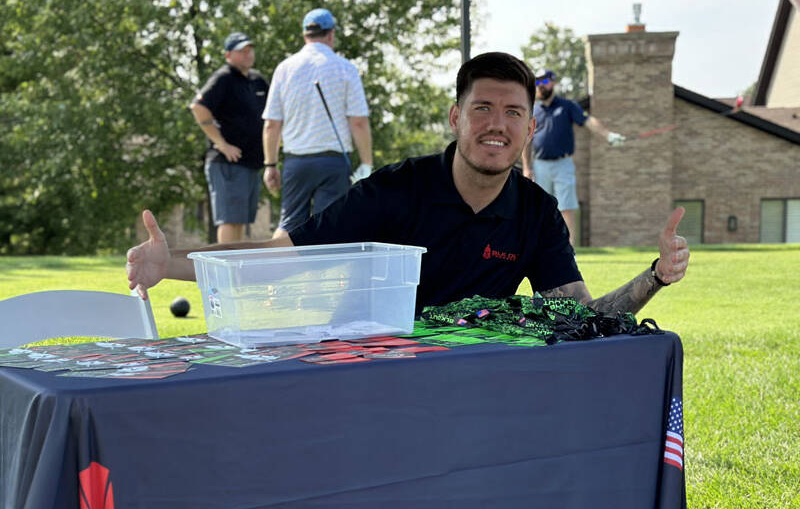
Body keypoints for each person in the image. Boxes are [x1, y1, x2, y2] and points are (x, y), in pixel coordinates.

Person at [127, 52, 688, 318]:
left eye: (514, 113)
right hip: (370, 372)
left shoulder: (536, 212)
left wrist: (656, 277)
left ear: (530, 127)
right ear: (455, 117)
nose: (497, 125)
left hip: (470, 383)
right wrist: (167, 261)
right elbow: (281, 255)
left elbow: (577, 320)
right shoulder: (397, 189)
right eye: (483, 109)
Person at [262, 8, 373, 232]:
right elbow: (358, 122)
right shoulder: (346, 68)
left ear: (305, 35)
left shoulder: (284, 69)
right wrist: (367, 164)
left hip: (296, 162)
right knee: (329, 229)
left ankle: (276, 268)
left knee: (289, 226)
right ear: (331, 34)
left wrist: (270, 165)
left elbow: (272, 124)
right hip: (333, 162)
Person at [522, 69, 625, 245]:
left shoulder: (567, 106)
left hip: (563, 163)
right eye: (537, 83)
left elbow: (588, 121)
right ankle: (539, 249)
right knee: (539, 207)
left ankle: (568, 251)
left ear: (553, 82)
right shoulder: (533, 110)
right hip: (539, 165)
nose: (540, 86)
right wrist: (526, 166)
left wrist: (608, 135)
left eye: (544, 81)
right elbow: (526, 141)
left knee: (566, 206)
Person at [190, 32, 269, 244]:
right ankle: (226, 275)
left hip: (250, 163)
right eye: (242, 51)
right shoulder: (223, 78)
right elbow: (198, 108)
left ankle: (236, 273)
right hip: (228, 163)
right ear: (228, 55)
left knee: (240, 221)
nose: (248, 55)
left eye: (249, 50)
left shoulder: (257, 80)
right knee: (229, 220)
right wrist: (222, 144)